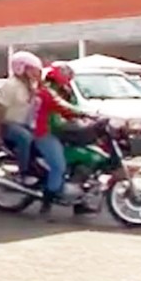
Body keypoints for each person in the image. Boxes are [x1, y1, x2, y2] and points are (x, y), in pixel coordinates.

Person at [29, 64, 94, 213]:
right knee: (58, 166)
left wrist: (83, 118)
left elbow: (69, 109)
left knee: (82, 158)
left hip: (62, 130)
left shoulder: (65, 91)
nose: (65, 83)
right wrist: (83, 114)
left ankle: (80, 201)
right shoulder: (47, 92)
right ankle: (47, 202)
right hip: (46, 132)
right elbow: (62, 107)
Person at [0, 51, 43, 180]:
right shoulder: (11, 85)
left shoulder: (28, 86)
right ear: (21, 68)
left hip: (25, 124)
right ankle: (24, 173)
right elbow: (0, 109)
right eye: (32, 69)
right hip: (10, 125)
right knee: (25, 138)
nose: (35, 73)